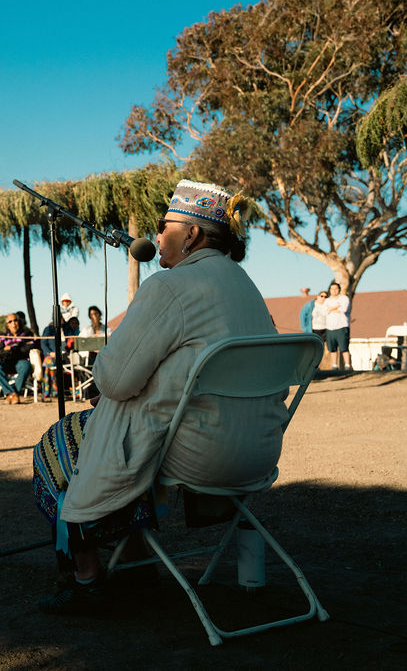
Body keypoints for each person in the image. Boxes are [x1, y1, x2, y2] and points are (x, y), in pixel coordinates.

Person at [34, 178, 287, 615]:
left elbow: (114, 380)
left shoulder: (170, 286)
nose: (155, 234)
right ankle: (135, 564)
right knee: (127, 434)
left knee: (63, 441)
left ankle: (87, 575)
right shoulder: (246, 285)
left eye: (164, 225)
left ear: (191, 234)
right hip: (259, 452)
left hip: (196, 453)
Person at [0, 312, 35, 405]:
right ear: (7, 325)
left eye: (15, 320)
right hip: (7, 362)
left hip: (21, 361)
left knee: (26, 366)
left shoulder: (26, 333)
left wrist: (11, 348)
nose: (13, 323)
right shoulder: (3, 336)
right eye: (10, 321)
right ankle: (11, 393)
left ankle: (12, 394)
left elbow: (29, 347)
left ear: (19, 321)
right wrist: (11, 349)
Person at [40, 314, 80, 399]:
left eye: (60, 318)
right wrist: (49, 353)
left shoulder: (67, 329)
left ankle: (77, 391)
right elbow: (43, 343)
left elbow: (73, 341)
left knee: (75, 363)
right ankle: (51, 391)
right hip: (52, 355)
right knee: (49, 362)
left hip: (67, 354)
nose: (59, 320)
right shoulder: (49, 329)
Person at [324, 282, 352, 371]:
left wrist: (331, 308)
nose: (334, 291)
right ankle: (334, 365)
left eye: (336, 289)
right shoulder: (327, 300)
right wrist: (336, 307)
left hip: (342, 326)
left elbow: (343, 309)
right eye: (332, 289)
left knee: (344, 347)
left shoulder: (344, 298)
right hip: (330, 328)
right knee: (332, 349)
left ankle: (347, 365)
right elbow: (325, 311)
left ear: (339, 289)